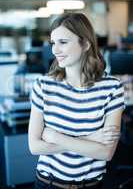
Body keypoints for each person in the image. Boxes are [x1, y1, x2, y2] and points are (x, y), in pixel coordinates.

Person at [28, 13, 125, 189]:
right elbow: (35, 147)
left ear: (86, 44)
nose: (55, 50)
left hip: (92, 185)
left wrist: (55, 137)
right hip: (48, 183)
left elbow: (106, 152)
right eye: (53, 43)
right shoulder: (43, 85)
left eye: (63, 42)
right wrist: (89, 139)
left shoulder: (112, 88)